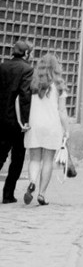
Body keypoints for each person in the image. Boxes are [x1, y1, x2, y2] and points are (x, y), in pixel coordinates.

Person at [23, 53, 70, 206]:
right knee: (48, 161)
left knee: (34, 159)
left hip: (34, 125)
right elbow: (62, 112)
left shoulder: (34, 85)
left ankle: (32, 182)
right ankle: (42, 193)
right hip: (52, 126)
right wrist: (66, 129)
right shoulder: (59, 86)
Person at [0, 40, 34, 204]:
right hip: (17, 121)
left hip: (1, 118)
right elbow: (24, 97)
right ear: (26, 53)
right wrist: (25, 121)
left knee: (0, 155)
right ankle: (8, 194)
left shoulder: (3, 66)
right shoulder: (27, 69)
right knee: (17, 158)